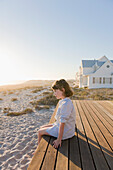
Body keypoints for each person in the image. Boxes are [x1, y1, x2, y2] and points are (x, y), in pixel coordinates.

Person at [34, 79, 76, 153]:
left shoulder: (66, 104)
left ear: (62, 90)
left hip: (65, 132)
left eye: (56, 91)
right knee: (42, 127)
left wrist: (58, 140)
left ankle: (38, 151)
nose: (54, 94)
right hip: (64, 127)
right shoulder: (64, 101)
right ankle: (39, 148)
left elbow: (62, 123)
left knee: (40, 132)